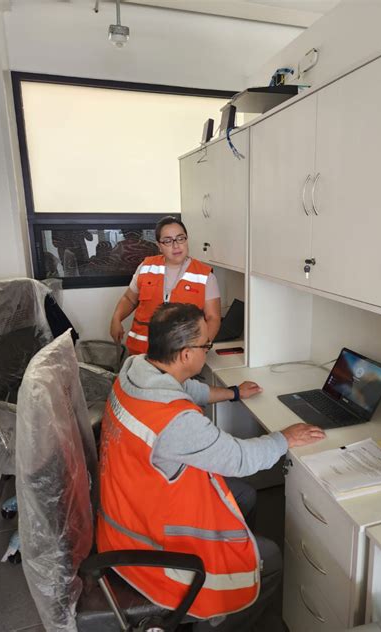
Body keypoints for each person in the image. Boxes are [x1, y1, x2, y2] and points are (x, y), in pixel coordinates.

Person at [97, 303, 325, 631]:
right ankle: (218, 616)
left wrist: (232, 393)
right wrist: (285, 437)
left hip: (126, 512)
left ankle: (237, 554)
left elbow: (184, 388)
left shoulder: (135, 370)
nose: (209, 350)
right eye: (205, 345)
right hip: (147, 548)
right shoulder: (174, 421)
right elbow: (241, 459)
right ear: (187, 354)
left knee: (244, 496)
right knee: (271, 556)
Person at [110, 216, 221, 355]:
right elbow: (129, 299)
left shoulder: (205, 276)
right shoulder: (146, 267)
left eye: (180, 238)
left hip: (181, 359)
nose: (176, 245)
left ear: (187, 240)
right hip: (141, 354)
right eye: (168, 241)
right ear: (159, 246)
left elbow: (213, 318)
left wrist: (201, 348)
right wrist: (116, 318)